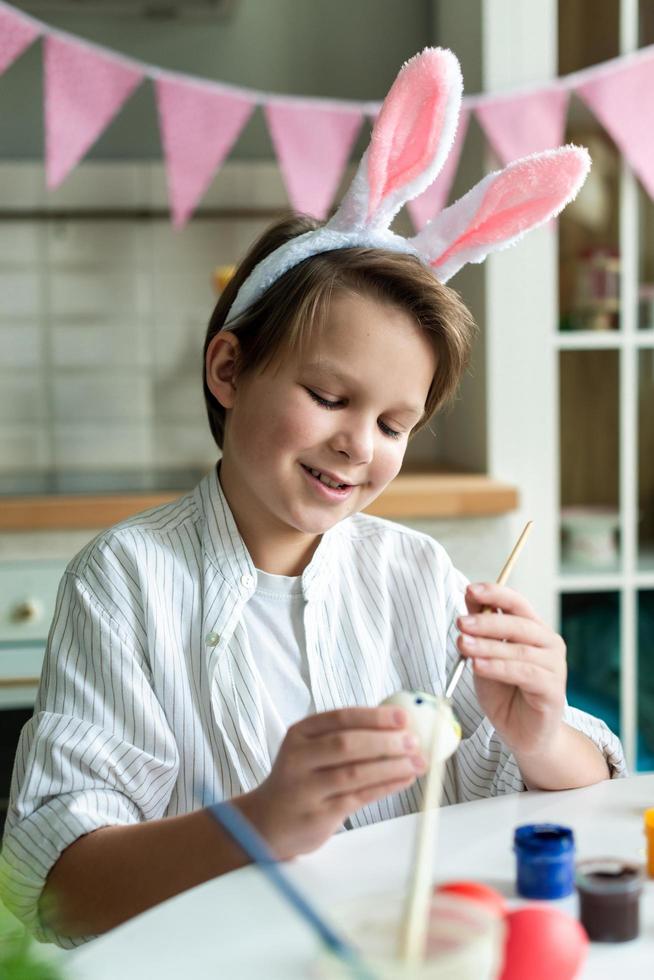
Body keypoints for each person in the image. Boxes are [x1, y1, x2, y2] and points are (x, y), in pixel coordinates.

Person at [0, 48, 625, 947]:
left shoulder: (415, 574)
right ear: (228, 369)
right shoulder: (125, 582)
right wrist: (261, 821)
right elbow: (52, 894)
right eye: (329, 398)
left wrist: (538, 735)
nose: (356, 445)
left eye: (393, 424)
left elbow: (563, 799)